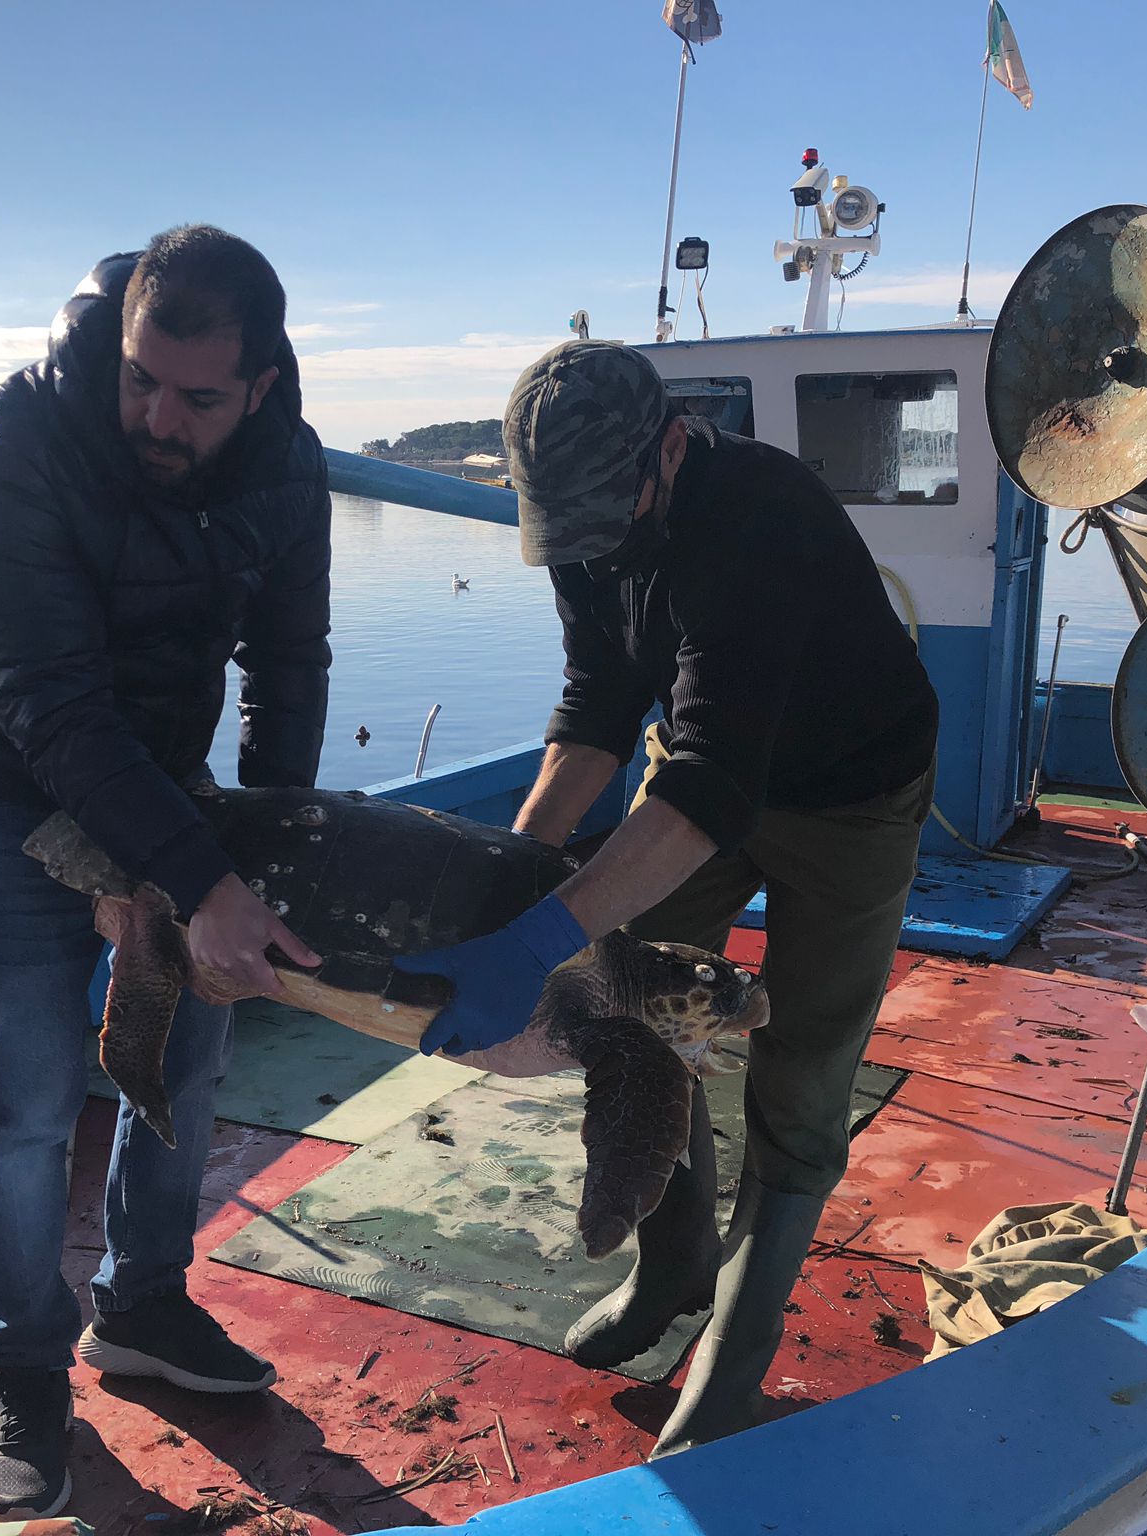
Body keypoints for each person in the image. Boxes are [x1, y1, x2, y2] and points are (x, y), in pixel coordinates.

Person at [393, 339, 937, 1457]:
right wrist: (509, 880)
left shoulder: (756, 518)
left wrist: (546, 931)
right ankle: (675, 1259)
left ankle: (734, 1358)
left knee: (802, 1055)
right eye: (569, 536)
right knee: (636, 1003)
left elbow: (706, 789)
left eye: (608, 524)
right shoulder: (588, 518)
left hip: (850, 791)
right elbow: (598, 705)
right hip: (704, 769)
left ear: (671, 449)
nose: (594, 552)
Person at [0, 225, 332, 1520]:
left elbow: (290, 661)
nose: (157, 416)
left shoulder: (284, 463)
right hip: (14, 781)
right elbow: (49, 710)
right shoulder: (16, 454)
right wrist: (201, 882)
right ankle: (25, 1373)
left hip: (164, 780)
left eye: (197, 397)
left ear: (258, 386)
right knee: (28, 1098)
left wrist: (262, 849)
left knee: (187, 1065)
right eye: (141, 379)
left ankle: (143, 1305)